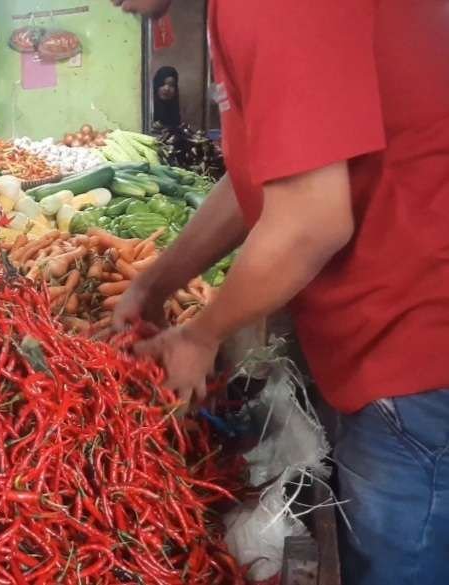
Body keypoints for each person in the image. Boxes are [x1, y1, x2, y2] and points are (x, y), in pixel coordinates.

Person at [111, 1, 449, 584]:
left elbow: (310, 221)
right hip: (396, 334)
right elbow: (270, 173)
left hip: (415, 343)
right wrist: (153, 281)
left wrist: (202, 332)